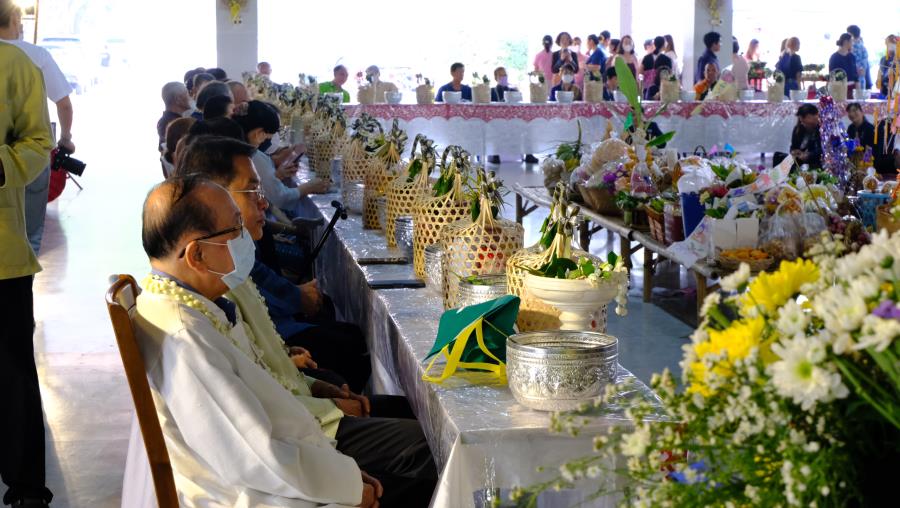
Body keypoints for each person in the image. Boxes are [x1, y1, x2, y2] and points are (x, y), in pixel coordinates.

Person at [128, 175, 436, 507]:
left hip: (289, 462)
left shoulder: (193, 307)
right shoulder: (185, 339)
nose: (245, 237)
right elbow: (254, 456)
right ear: (197, 255)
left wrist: (339, 467)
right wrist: (347, 485)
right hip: (260, 494)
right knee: (430, 470)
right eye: (234, 229)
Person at [174, 135, 371, 393]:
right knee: (345, 346)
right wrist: (296, 300)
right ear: (214, 195)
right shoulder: (215, 266)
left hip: (278, 357)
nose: (264, 202)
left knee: (341, 332)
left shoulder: (231, 248)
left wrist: (283, 352)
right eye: (252, 191)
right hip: (282, 386)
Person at [0, 28, 55, 508]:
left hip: (1, 252)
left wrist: (2, 165)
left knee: (12, 367)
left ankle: (26, 486)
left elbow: (39, 139)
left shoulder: (14, 64)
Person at [0, 3, 75, 256]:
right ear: (13, 18)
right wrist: (65, 138)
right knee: (28, 236)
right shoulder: (36, 56)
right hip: (27, 157)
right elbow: (64, 104)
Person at [233, 100, 328, 213]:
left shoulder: (232, 146)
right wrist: (308, 187)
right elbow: (280, 198)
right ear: (258, 133)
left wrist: (276, 175)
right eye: (267, 138)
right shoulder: (253, 155)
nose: (266, 142)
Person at [157, 82, 193, 150]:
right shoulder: (170, 123)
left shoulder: (167, 120)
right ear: (178, 99)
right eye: (187, 93)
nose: (191, 96)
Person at [790, 103, 823, 168]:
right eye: (801, 121)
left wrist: (809, 155)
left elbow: (824, 150)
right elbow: (793, 146)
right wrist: (794, 151)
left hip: (817, 163)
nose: (802, 124)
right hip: (799, 164)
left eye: (803, 121)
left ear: (811, 116)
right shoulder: (798, 129)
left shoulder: (822, 129)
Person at [847, 25, 870, 90]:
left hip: (851, 82)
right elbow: (864, 70)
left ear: (850, 34)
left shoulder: (848, 48)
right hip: (861, 82)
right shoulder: (863, 48)